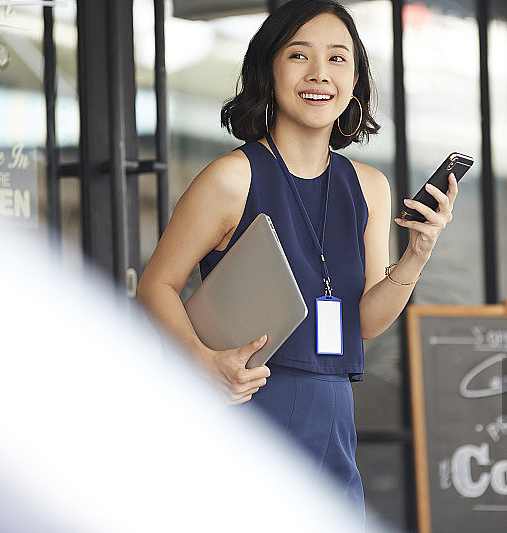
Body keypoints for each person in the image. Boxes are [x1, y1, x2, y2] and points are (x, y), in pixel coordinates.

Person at [136, 0, 458, 519]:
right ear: (269, 70)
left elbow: (366, 323)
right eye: (299, 55)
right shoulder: (232, 178)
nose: (319, 74)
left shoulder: (369, 187)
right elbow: (156, 285)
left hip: (333, 421)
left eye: (337, 59)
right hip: (248, 412)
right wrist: (203, 362)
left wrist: (417, 255)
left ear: (355, 80)